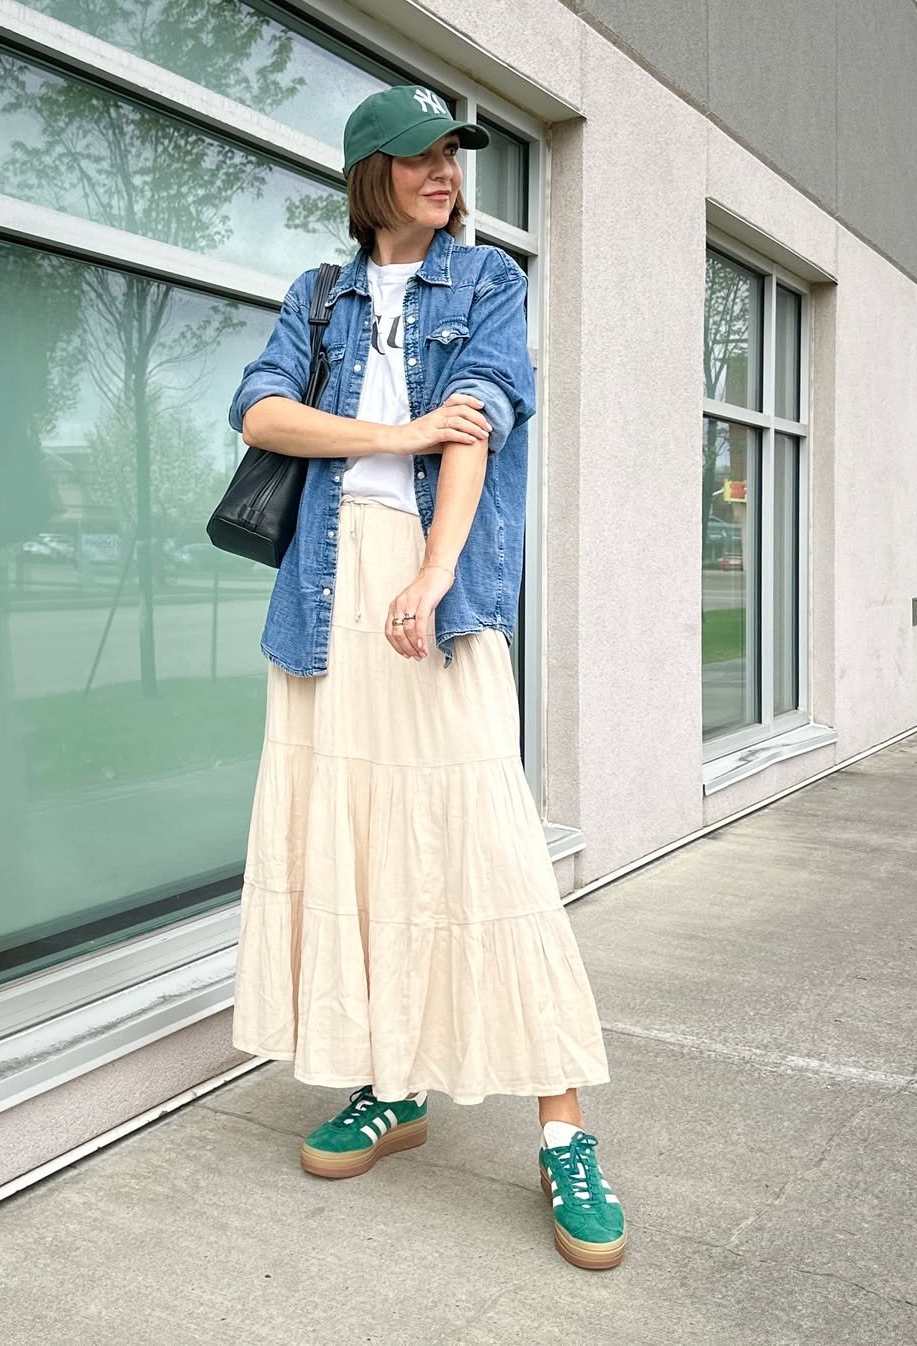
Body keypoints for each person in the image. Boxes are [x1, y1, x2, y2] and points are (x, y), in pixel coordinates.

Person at [226, 85, 624, 1271]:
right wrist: (394, 433)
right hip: (321, 593)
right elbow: (261, 412)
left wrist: (437, 570)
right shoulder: (319, 293)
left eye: (453, 153)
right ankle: (392, 1084)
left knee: (487, 844)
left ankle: (565, 1131)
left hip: (432, 586)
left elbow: (480, 420)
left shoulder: (488, 280)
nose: (446, 171)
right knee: (353, 836)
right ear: (373, 175)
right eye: (421, 156)